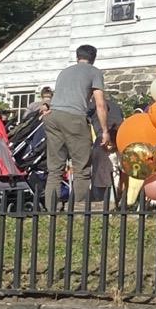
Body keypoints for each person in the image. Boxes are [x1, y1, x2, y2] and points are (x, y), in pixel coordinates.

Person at [45, 45, 109, 211]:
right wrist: (105, 131)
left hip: (53, 116)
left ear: (77, 57)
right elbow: (100, 104)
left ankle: (52, 208)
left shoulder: (65, 71)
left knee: (55, 167)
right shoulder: (94, 72)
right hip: (73, 117)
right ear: (94, 58)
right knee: (81, 166)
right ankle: (78, 207)